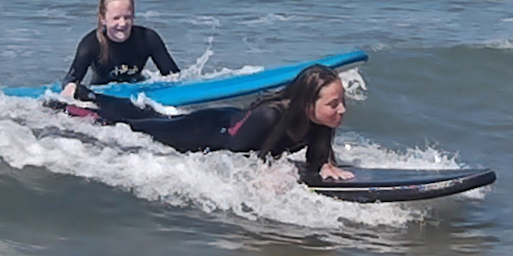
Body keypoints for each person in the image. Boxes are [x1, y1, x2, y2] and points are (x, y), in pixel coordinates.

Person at [117, 63, 356, 183]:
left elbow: (314, 156)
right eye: (333, 104)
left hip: (232, 120)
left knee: (155, 119)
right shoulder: (269, 117)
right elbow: (232, 158)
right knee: (140, 125)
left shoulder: (322, 121)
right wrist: (262, 173)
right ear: (307, 105)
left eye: (341, 101)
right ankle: (93, 106)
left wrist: (324, 163)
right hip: (205, 129)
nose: (342, 109)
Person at [60, 0, 180, 95]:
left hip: (138, 92)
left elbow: (173, 76)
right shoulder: (91, 44)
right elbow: (71, 79)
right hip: (103, 94)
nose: (122, 24)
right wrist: (71, 88)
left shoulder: (148, 38)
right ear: (103, 19)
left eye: (127, 17)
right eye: (116, 18)